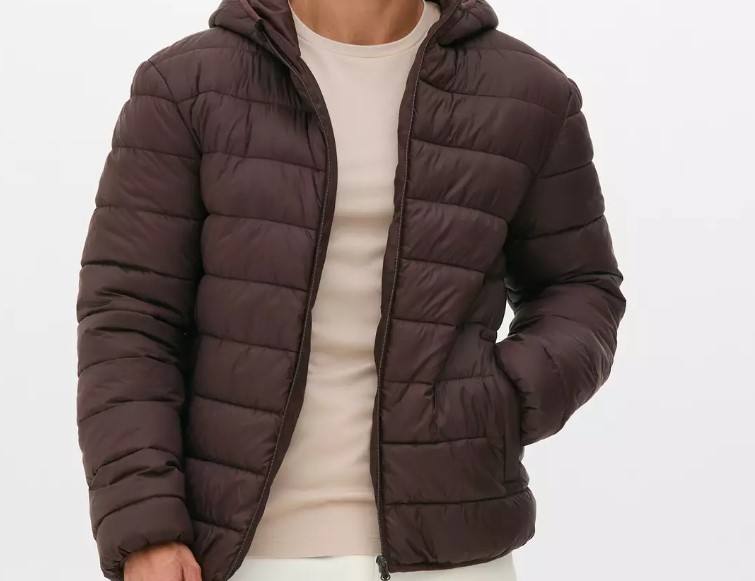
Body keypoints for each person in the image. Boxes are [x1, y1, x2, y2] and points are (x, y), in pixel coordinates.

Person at [75, 0, 626, 579]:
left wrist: (498, 403)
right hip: (239, 554)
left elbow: (580, 287)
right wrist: (146, 525)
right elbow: (130, 318)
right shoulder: (186, 86)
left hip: (453, 553)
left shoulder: (528, 93)